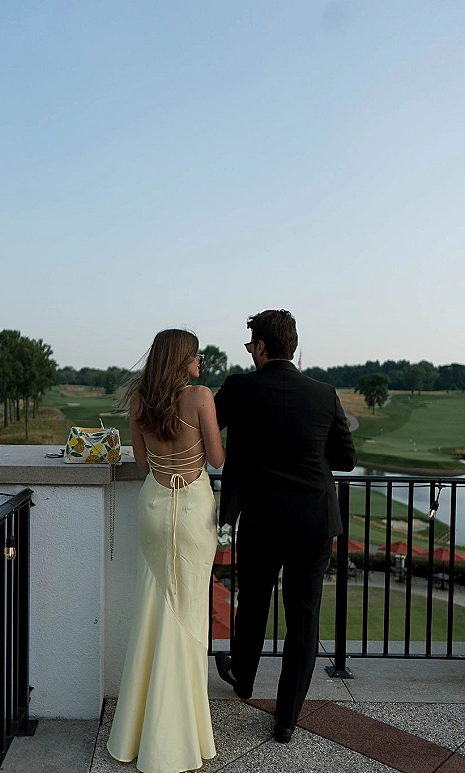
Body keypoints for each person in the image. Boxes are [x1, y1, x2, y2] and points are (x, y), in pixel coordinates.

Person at [213, 309, 356, 744]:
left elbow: (203, 430)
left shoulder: (240, 388)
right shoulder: (324, 393)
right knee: (304, 619)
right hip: (315, 521)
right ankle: (287, 719)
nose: (249, 353)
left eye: (250, 346)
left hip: (262, 519)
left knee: (254, 604)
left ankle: (242, 676)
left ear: (261, 346)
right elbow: (346, 458)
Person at [107, 329, 226, 773]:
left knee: (151, 609)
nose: (200, 361)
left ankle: (137, 732)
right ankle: (184, 731)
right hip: (193, 511)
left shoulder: (140, 401)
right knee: (189, 612)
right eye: (196, 355)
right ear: (180, 359)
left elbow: (140, 461)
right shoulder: (200, 397)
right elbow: (217, 459)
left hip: (154, 507)